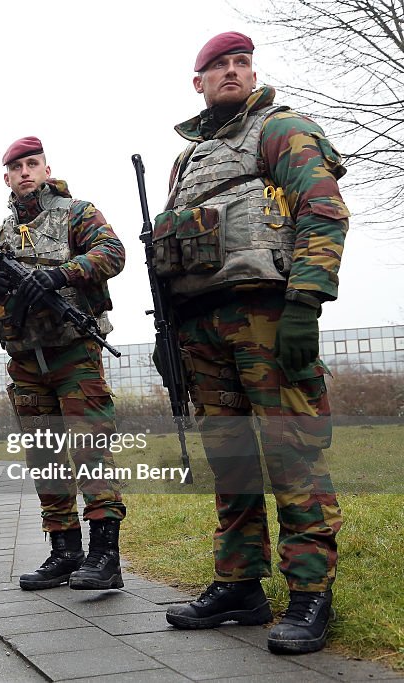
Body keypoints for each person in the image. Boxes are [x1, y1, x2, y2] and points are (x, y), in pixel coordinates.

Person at [156, 32, 347, 655]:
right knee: (230, 458)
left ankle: (311, 592)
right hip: (202, 327)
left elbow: (322, 209)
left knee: (292, 452)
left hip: (268, 315)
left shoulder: (279, 128)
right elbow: (176, 250)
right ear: (199, 82)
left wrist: (306, 301)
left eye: (241, 62)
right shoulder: (188, 162)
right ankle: (240, 584)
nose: (232, 71)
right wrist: (169, 333)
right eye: (218, 66)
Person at [0, 136, 127, 592]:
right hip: (25, 361)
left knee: (91, 450)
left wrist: (60, 274)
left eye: (33, 164)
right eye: (17, 167)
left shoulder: (77, 213)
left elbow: (113, 253)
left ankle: (104, 555)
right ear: (7, 177)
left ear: (47, 169)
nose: (26, 172)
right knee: (46, 458)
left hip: (74, 353)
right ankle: (65, 551)